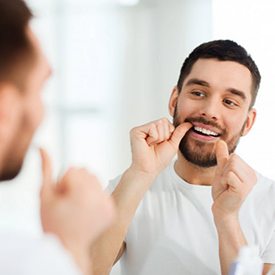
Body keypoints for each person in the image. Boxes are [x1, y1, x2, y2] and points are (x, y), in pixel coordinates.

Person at [91, 40, 275, 275]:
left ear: (247, 122)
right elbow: (86, 269)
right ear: (174, 100)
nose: (210, 111)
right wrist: (140, 174)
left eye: (229, 102)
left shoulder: (271, 203)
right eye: (198, 93)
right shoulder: (129, 188)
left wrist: (227, 219)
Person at [0, 0, 115, 274]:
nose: (42, 112)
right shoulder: (26, 263)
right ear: (5, 109)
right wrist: (71, 247)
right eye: (40, 88)